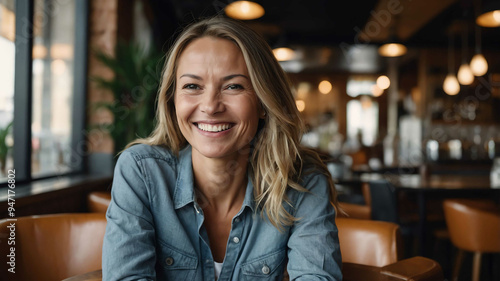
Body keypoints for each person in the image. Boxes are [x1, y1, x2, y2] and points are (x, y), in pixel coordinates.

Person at [102, 16, 342, 281]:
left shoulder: (302, 182)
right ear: (172, 101)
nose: (210, 106)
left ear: (263, 102)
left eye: (233, 86)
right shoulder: (142, 172)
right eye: (192, 86)